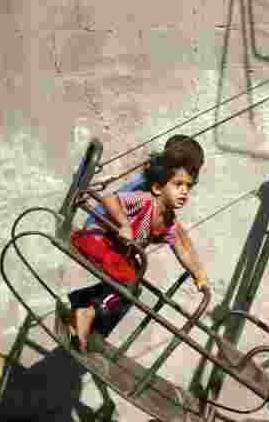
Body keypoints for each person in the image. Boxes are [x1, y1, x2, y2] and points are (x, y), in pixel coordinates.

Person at [67, 135, 209, 352]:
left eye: (188, 187)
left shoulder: (169, 222)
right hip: (98, 238)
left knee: (133, 287)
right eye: (178, 184)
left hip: (116, 250)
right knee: (127, 282)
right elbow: (110, 199)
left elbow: (182, 250)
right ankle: (87, 312)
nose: (184, 191)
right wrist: (124, 224)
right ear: (158, 188)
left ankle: (84, 307)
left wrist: (198, 275)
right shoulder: (143, 200)